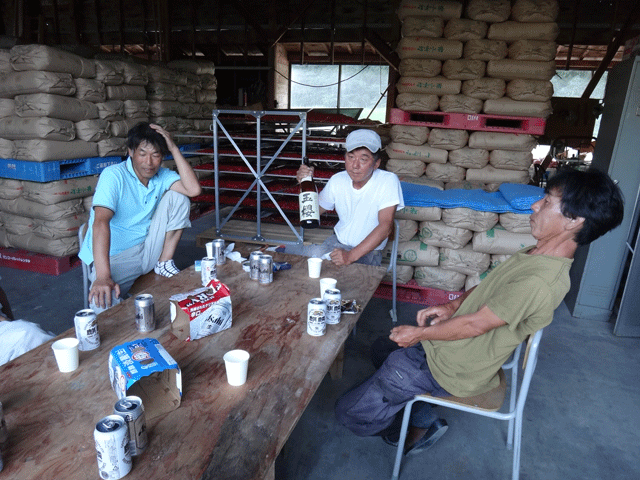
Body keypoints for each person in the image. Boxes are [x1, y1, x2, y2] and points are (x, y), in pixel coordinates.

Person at [335, 168, 624, 454]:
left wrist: (422, 333)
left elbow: (476, 326)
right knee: (381, 348)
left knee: (349, 413)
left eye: (547, 201)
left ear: (574, 221)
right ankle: (415, 407)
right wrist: (451, 306)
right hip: (451, 347)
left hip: (453, 367)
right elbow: (489, 286)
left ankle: (411, 430)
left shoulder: (540, 282)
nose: (536, 205)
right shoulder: (535, 255)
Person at [78, 122, 202, 312]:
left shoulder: (162, 175)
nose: (149, 162)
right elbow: (100, 223)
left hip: (149, 248)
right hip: (117, 256)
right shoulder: (114, 176)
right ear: (131, 152)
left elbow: (193, 190)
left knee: (179, 197)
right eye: (143, 154)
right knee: (101, 304)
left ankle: (164, 264)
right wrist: (103, 276)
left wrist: (173, 147)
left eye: (156, 155)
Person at [284, 129, 404, 266]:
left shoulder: (387, 181)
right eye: (351, 157)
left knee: (330, 276)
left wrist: (349, 256)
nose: (355, 165)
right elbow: (313, 212)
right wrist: (305, 183)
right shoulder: (338, 180)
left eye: (363, 159)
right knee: (289, 255)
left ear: (376, 164)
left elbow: (385, 227)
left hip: (367, 252)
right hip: (336, 244)